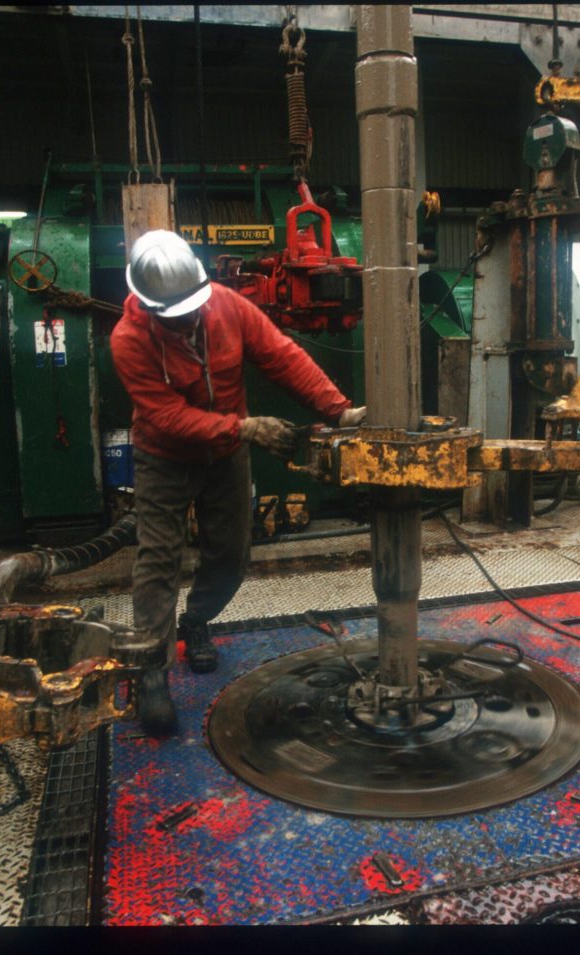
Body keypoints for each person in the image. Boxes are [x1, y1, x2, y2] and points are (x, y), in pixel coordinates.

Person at [110, 230, 364, 736]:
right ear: (149, 303)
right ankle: (152, 669)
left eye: (190, 308)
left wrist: (339, 411)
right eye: (173, 313)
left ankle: (197, 621)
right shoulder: (129, 340)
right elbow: (165, 417)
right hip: (165, 457)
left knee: (230, 553)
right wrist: (243, 428)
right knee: (158, 561)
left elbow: (282, 356)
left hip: (225, 456)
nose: (185, 318)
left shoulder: (226, 307)